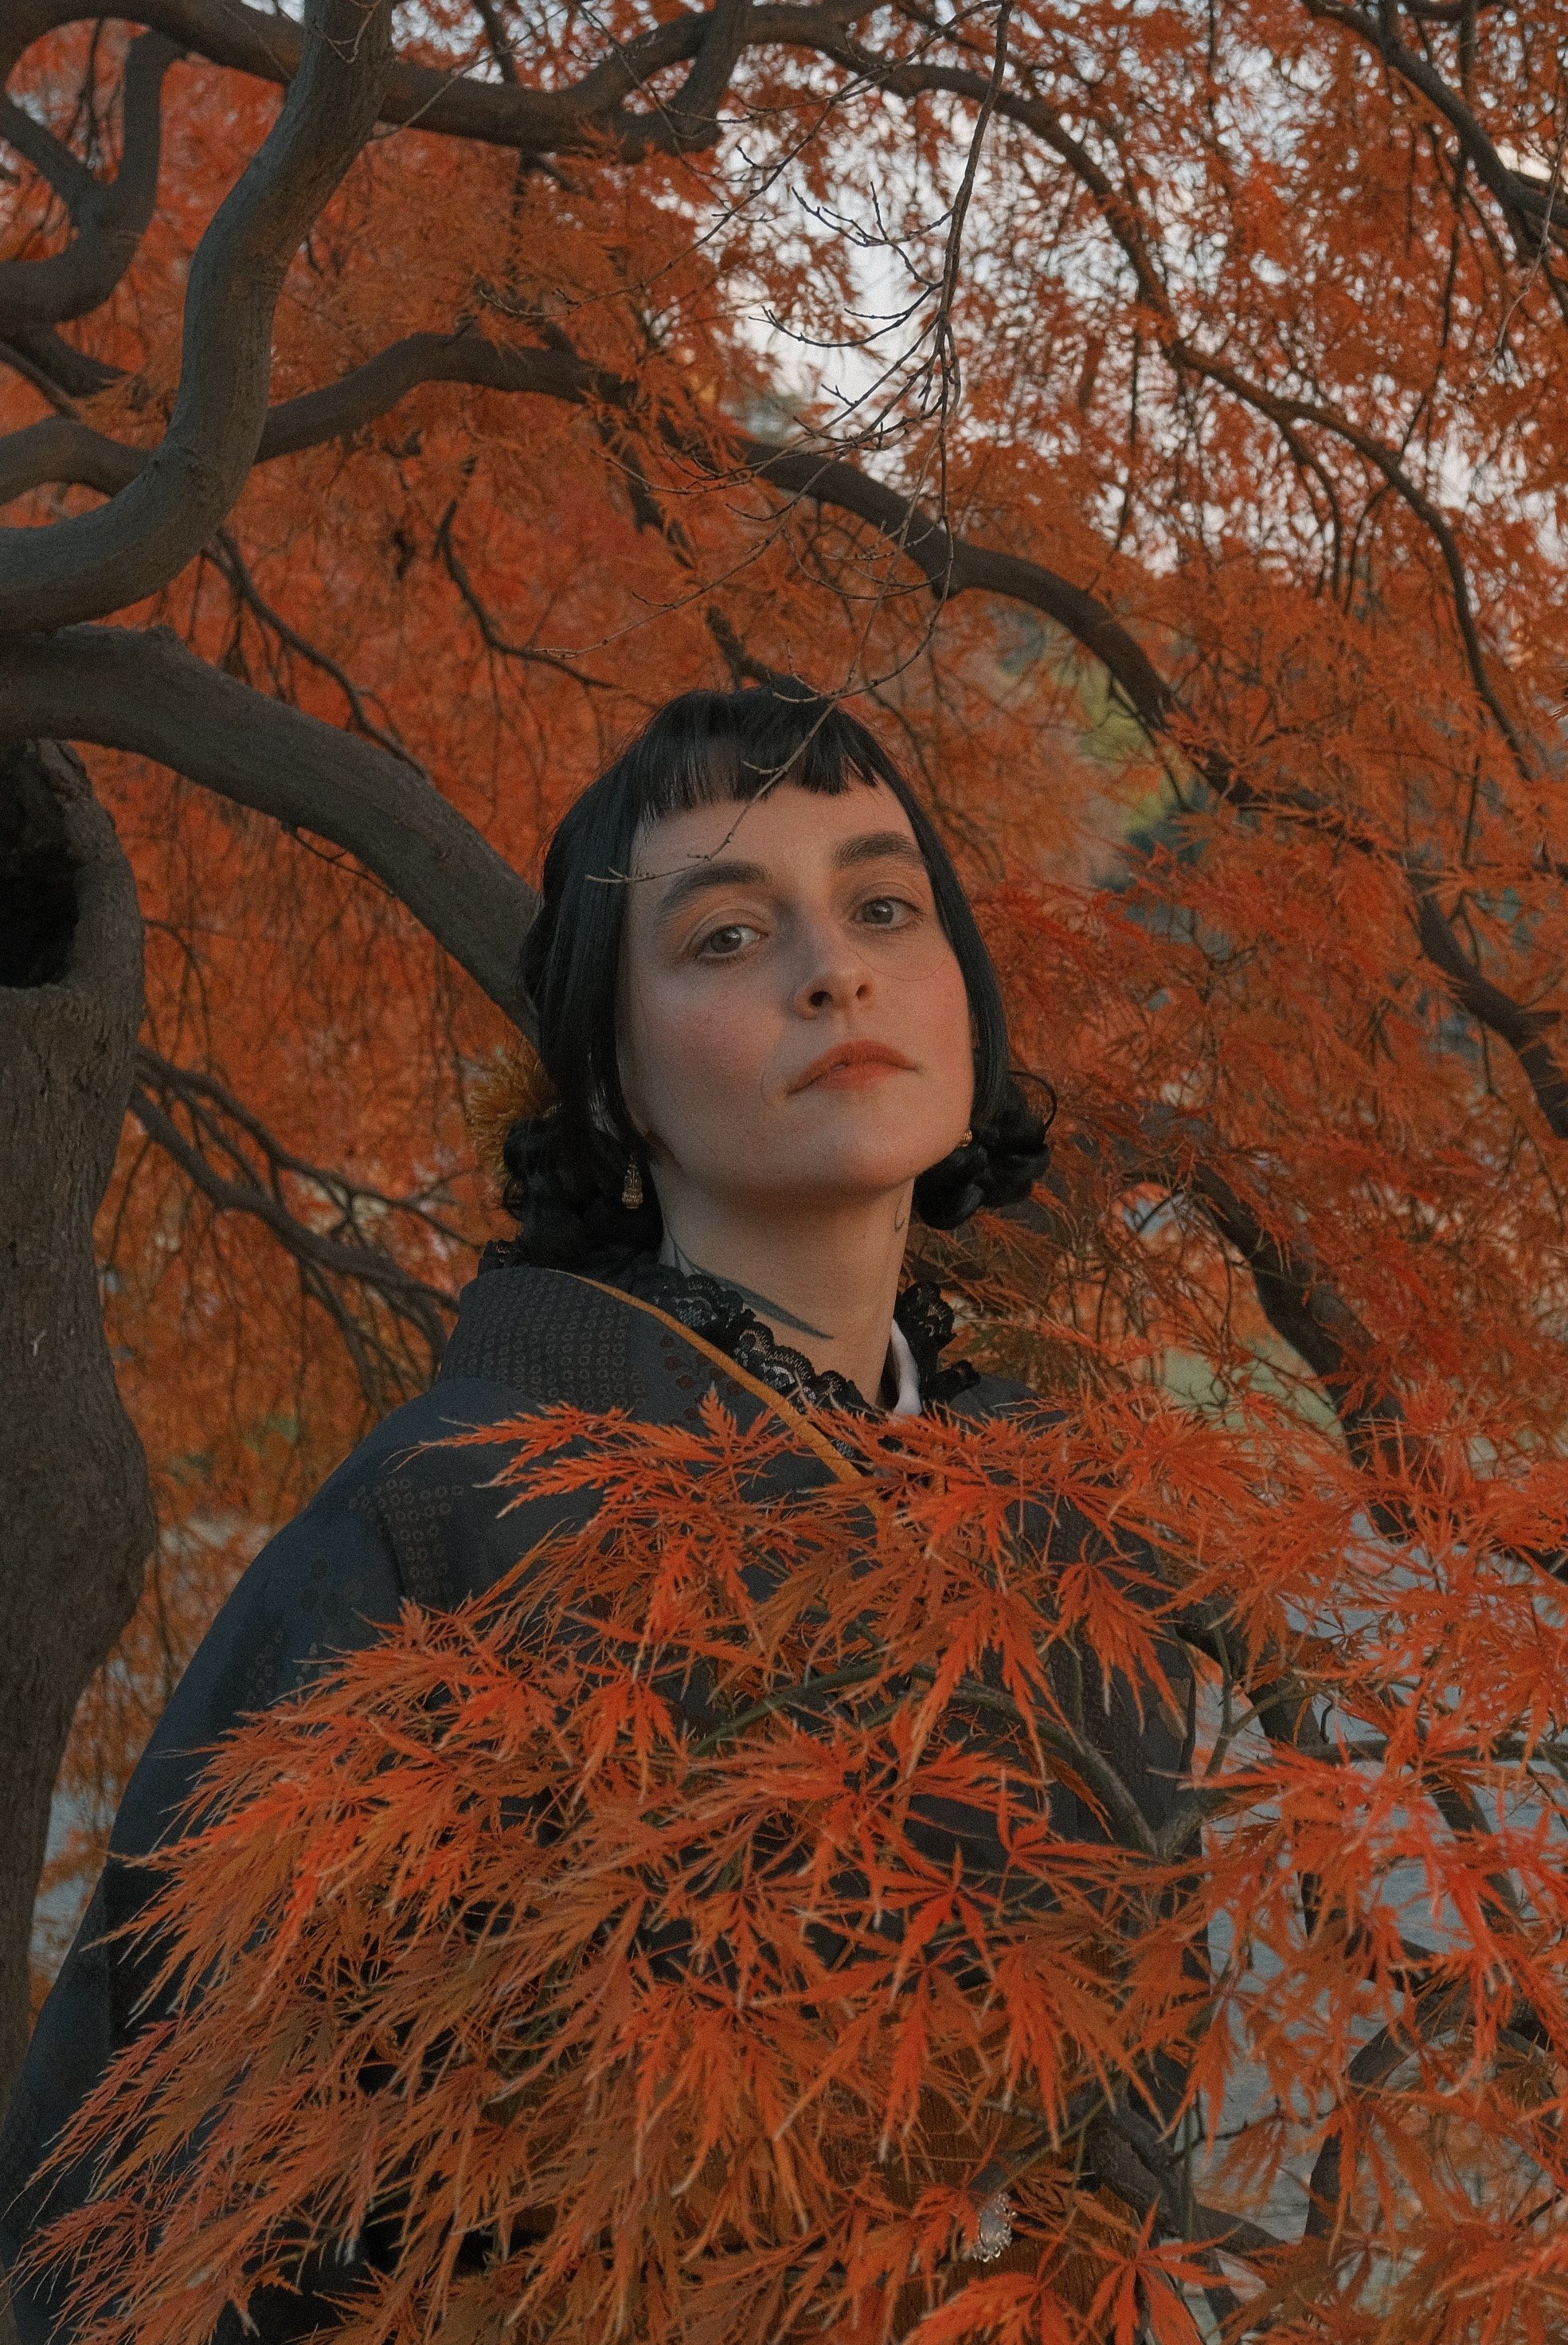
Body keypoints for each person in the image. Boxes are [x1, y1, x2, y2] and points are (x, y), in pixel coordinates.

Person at [0, 685, 1188, 2338]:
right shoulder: (441, 1525)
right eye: (722, 936)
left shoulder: (1071, 1533)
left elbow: (1127, 2146)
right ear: (612, 1084)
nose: (828, 969)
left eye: (880, 905)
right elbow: (137, 2197)